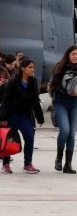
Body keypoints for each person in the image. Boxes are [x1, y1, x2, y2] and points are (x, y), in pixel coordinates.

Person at [0, 58, 44, 174]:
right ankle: (6, 164)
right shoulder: (13, 82)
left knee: (29, 138)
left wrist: (39, 117)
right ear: (23, 68)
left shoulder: (33, 82)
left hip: (25, 116)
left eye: (33, 67)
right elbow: (6, 101)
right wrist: (2, 118)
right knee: (9, 140)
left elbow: (35, 101)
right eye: (29, 67)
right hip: (12, 115)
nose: (32, 69)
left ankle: (28, 164)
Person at [48, 45, 77, 174]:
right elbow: (52, 86)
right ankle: (58, 158)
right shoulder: (59, 67)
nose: (75, 56)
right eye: (73, 54)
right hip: (61, 102)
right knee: (65, 130)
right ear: (68, 55)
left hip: (75, 103)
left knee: (72, 134)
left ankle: (68, 164)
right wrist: (67, 92)